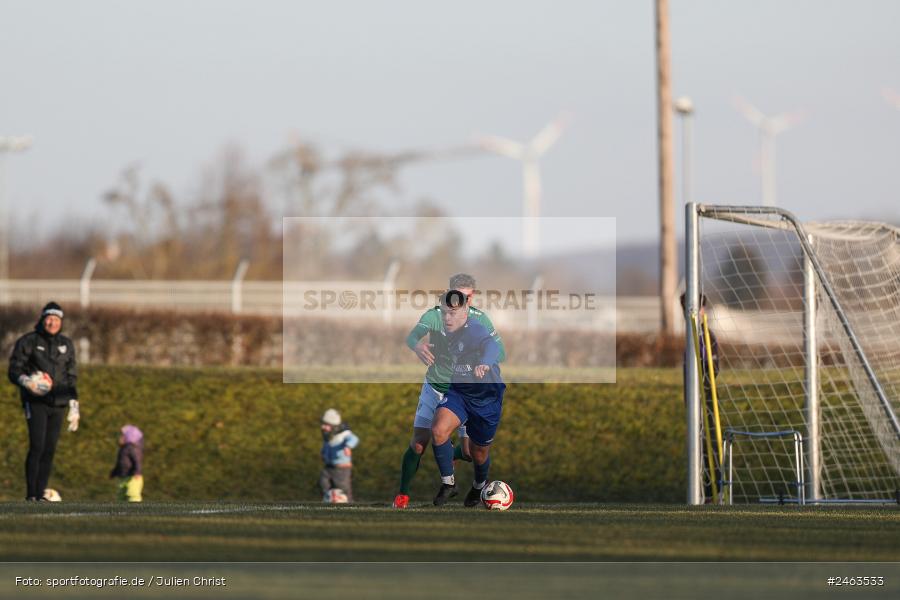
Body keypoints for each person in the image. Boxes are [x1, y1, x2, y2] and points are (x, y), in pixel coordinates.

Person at [392, 273, 506, 509]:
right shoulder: (436, 315)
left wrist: (481, 361)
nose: (463, 301)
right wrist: (418, 346)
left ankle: (469, 477)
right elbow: (412, 337)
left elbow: (498, 350)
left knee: (471, 452)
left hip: (468, 389)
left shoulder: (478, 321)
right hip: (439, 386)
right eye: (458, 296)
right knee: (421, 441)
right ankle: (404, 495)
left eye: (468, 297)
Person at [431, 290, 506, 507]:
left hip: (486, 398)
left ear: (465, 312)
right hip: (460, 393)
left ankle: (479, 485)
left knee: (477, 453)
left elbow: (491, 345)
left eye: (452, 313)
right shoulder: (445, 331)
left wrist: (485, 362)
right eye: (444, 313)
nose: (447, 318)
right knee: (438, 430)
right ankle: (448, 483)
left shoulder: (474, 328)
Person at [8, 301, 80, 502]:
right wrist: (27, 381)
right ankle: (31, 495)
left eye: (56, 319)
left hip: (59, 404)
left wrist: (74, 404)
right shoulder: (28, 341)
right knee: (37, 446)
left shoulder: (67, 344)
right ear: (42, 319)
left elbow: (71, 377)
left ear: (61, 322)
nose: (52, 323)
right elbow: (14, 370)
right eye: (49, 318)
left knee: (49, 450)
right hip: (36, 402)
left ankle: (40, 495)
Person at [681, 292, 721, 502]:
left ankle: (715, 492)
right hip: (693, 401)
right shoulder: (689, 336)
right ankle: (700, 492)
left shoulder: (707, 336)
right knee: (695, 447)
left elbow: (714, 369)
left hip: (706, 399)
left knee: (709, 445)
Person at [319, 408, 359, 502]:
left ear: (334, 425)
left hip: (342, 469)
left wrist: (348, 446)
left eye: (326, 425)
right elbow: (327, 446)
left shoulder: (344, 434)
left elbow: (354, 439)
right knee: (323, 483)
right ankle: (329, 500)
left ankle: (349, 503)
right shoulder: (329, 436)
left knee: (342, 487)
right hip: (329, 466)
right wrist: (324, 454)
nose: (323, 427)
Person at [110, 424, 144, 502]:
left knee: (133, 494)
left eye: (122, 436)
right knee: (121, 495)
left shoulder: (132, 448)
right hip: (123, 477)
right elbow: (120, 463)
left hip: (133, 477)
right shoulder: (122, 449)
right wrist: (114, 472)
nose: (120, 438)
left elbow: (137, 461)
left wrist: (137, 472)